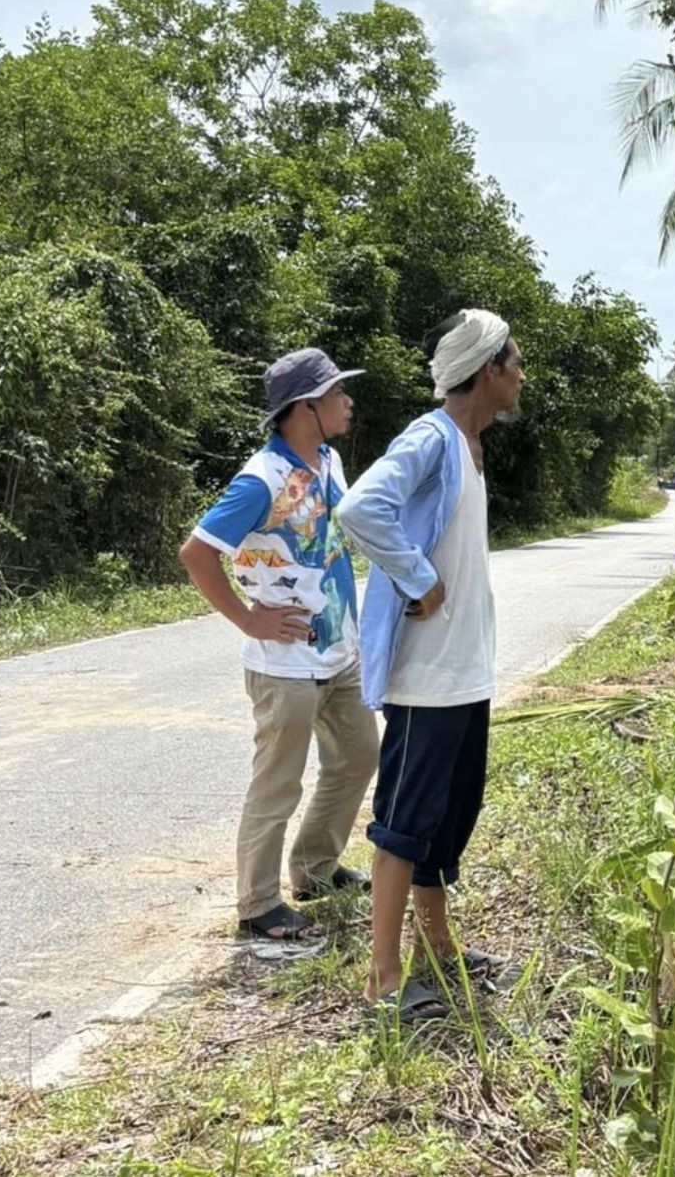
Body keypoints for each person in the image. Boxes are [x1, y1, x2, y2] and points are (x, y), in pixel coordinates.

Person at [334, 309, 524, 1022]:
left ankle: (438, 951)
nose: (521, 376)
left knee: (447, 822)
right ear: (488, 369)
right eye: (515, 362)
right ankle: (383, 979)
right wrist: (417, 577)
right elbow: (361, 508)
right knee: (404, 823)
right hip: (426, 679)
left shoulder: (469, 449)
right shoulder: (432, 437)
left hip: (463, 673)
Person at [179, 347, 378, 943]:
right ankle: (258, 903)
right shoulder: (261, 478)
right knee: (278, 783)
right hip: (283, 665)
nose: (347, 401)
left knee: (358, 756)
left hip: (338, 653)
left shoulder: (328, 461)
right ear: (305, 407)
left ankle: (315, 869)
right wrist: (249, 620)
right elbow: (197, 553)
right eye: (336, 392)